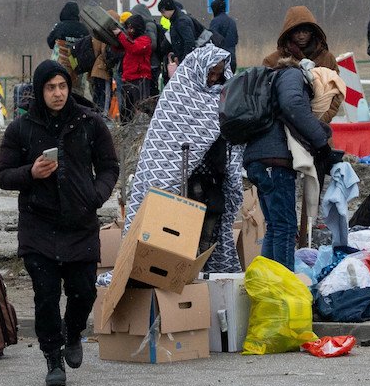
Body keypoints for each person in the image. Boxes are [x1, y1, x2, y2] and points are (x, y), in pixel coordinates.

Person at [0, 60, 118, 386]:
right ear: (39, 90)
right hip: (39, 227)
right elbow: (2, 175)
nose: (58, 93)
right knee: (45, 295)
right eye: (51, 88)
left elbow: (109, 166)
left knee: (84, 292)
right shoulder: (21, 129)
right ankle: (52, 357)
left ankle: (73, 332)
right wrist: (29, 174)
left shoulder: (88, 122)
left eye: (62, 86)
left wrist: (96, 194)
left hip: (80, 225)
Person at [122, 43, 243, 274]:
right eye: (210, 73)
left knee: (213, 218)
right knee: (176, 226)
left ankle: (203, 266)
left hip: (211, 176)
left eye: (218, 74)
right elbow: (164, 140)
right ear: (199, 69)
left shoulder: (224, 95)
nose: (213, 79)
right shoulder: (180, 91)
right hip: (183, 178)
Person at [241, 57, 330, 272]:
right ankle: (283, 287)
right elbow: (293, 105)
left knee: (275, 226)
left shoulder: (272, 79)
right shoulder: (293, 74)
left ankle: (269, 282)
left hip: (259, 161)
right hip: (275, 163)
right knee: (285, 227)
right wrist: (321, 141)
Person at [263, 6, 338, 71]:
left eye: (306, 32)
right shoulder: (272, 61)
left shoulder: (327, 59)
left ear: (313, 32)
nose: (301, 36)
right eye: (296, 32)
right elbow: (264, 86)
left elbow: (336, 86)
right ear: (288, 34)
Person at [116, 14, 153, 122]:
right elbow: (118, 48)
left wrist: (120, 35)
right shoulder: (129, 40)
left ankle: (140, 131)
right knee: (126, 110)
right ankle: (125, 130)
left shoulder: (145, 40)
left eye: (131, 28)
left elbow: (134, 48)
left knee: (141, 108)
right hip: (128, 78)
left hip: (140, 79)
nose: (129, 30)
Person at [157, 0, 201, 68]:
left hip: (187, 62)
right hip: (184, 60)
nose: (162, 15)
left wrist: (184, 60)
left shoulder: (180, 21)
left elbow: (189, 42)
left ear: (166, 9)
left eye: (162, 12)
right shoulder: (176, 20)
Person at [46, 2, 90, 69]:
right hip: (76, 64)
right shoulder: (84, 29)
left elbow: (50, 42)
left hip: (59, 63)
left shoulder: (59, 26)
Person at [209, 0, 239, 70]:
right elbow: (236, 40)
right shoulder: (232, 22)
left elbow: (212, 40)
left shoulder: (215, 22)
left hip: (220, 61)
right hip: (232, 59)